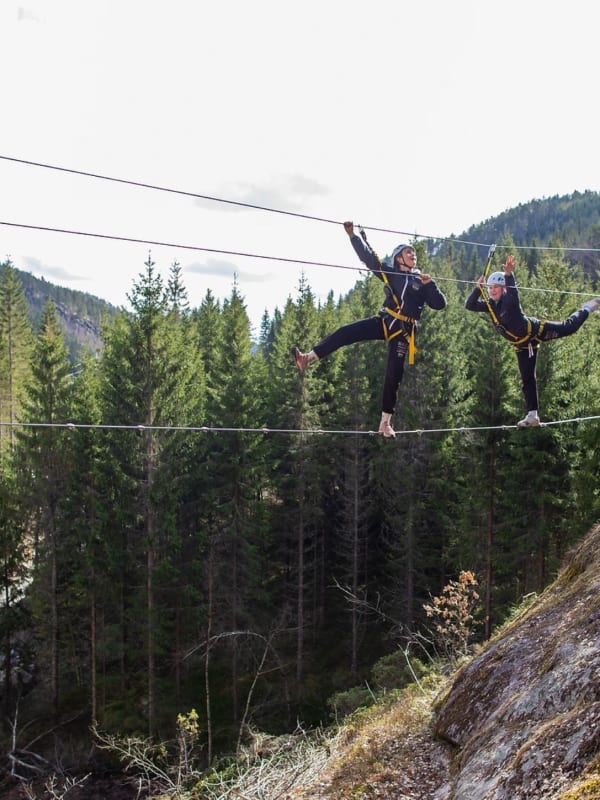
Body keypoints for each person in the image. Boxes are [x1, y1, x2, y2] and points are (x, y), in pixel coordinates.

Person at [292, 221, 447, 437]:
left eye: (413, 252)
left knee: (394, 374)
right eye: (408, 252)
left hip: (403, 331)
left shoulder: (421, 281)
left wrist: (431, 285)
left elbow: (439, 304)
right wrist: (353, 236)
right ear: (398, 258)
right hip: (385, 321)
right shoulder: (391, 273)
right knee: (346, 332)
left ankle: (385, 423)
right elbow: (368, 258)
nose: (413, 254)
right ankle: (308, 358)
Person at [465, 254, 600, 427]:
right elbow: (470, 305)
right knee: (527, 378)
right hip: (522, 345)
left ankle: (588, 307)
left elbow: (513, 291)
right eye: (490, 288)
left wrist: (508, 274)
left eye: (496, 288)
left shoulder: (509, 300)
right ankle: (533, 416)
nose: (492, 291)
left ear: (503, 289)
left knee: (569, 328)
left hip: (537, 330)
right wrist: (477, 289)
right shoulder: (490, 306)